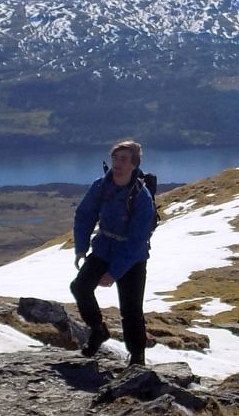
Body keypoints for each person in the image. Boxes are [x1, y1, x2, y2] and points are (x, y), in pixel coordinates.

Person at [70, 140, 154, 366]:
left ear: (133, 165)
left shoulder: (142, 197)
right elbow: (85, 215)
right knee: (80, 287)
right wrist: (80, 247)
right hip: (104, 249)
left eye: (124, 159)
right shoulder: (101, 186)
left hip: (132, 259)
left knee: (131, 310)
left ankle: (137, 358)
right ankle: (98, 330)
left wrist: (114, 272)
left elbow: (137, 241)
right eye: (115, 158)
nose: (117, 163)